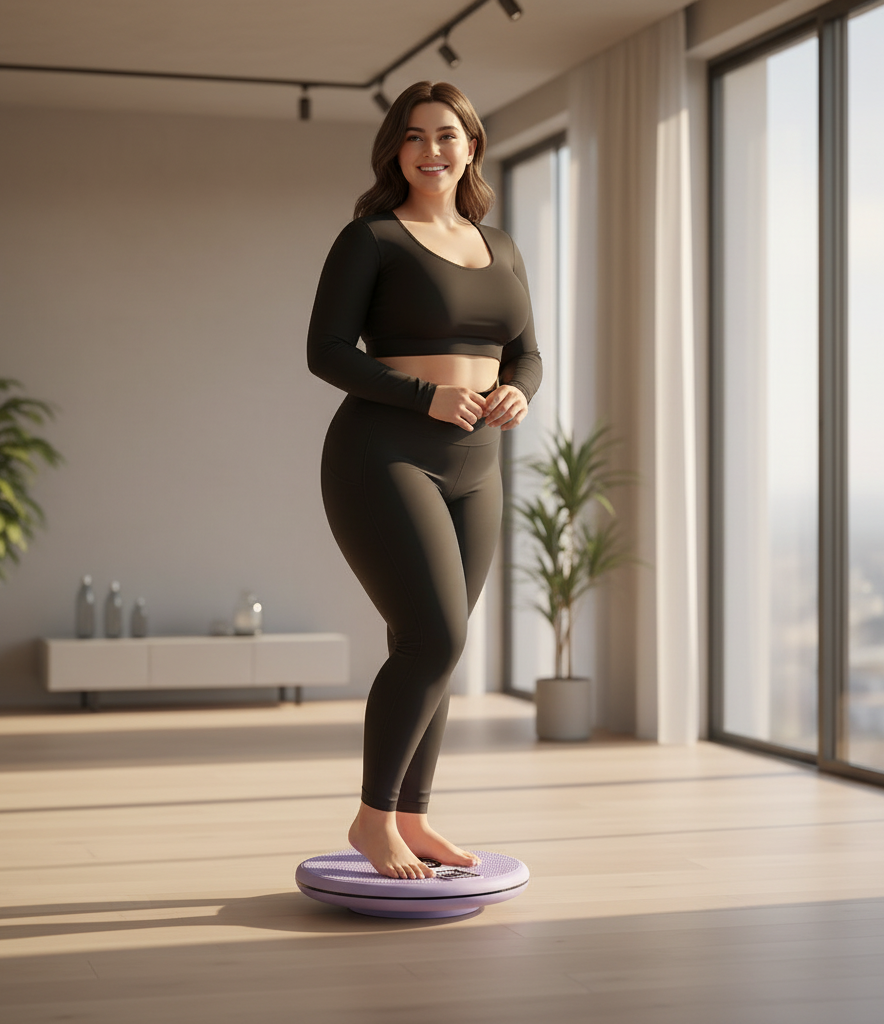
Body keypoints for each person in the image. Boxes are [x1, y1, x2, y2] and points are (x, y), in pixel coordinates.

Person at [307, 81, 541, 880]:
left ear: (471, 146)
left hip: (478, 465)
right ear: (395, 151)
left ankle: (413, 816)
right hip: (385, 453)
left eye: (446, 135)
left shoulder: (500, 246)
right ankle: (374, 820)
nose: (430, 150)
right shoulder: (370, 239)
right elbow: (326, 351)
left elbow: (527, 353)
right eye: (413, 136)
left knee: (438, 647)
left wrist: (519, 392)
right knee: (432, 637)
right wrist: (424, 396)